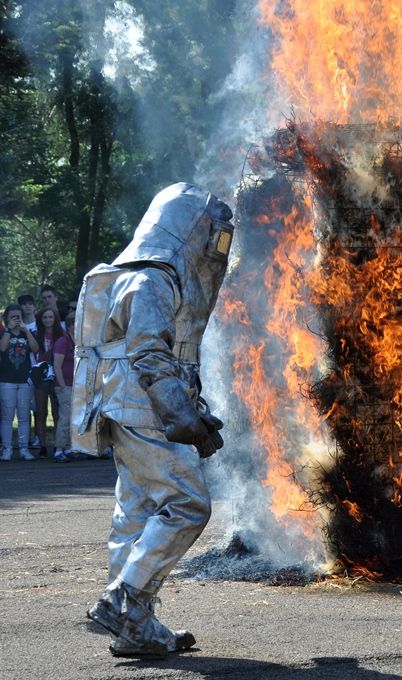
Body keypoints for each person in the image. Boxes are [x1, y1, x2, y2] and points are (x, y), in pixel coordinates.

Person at [80, 183, 232, 658]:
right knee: (188, 504)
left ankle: (134, 630)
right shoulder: (151, 279)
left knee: (136, 512)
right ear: (187, 227)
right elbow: (149, 353)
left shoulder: (140, 276)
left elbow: (169, 356)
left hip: (129, 407)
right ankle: (123, 601)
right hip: (144, 409)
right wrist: (180, 414)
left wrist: (191, 407)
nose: (217, 243)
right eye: (211, 232)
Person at [1, 304, 40, 460]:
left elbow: (36, 349)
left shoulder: (26, 333)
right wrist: (8, 329)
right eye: (13, 317)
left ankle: (24, 449)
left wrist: (27, 331)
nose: (16, 319)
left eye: (19, 316)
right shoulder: (4, 333)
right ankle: (7, 449)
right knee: (7, 417)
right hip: (6, 381)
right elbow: (3, 348)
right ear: (7, 318)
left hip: (25, 381)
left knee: (24, 416)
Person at [32, 306, 63, 457]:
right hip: (41, 376)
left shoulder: (62, 334)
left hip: (57, 375)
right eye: (45, 317)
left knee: (57, 412)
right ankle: (43, 446)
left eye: (50, 317)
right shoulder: (36, 334)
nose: (48, 320)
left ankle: (58, 444)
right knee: (41, 411)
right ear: (41, 319)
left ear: (55, 318)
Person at [52, 311, 76, 462]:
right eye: (74, 324)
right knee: (65, 418)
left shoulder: (80, 341)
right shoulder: (63, 342)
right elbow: (57, 366)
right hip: (65, 386)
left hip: (77, 386)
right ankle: (59, 450)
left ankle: (68, 448)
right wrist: (63, 387)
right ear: (68, 326)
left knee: (73, 419)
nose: (77, 326)